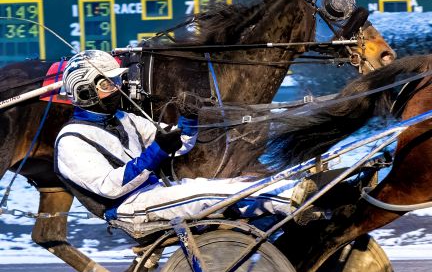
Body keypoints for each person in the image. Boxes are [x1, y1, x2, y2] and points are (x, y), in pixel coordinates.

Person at [54, 49, 323, 246]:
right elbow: (110, 187)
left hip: (157, 193)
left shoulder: (125, 119)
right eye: (107, 84)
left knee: (233, 183)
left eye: (117, 81)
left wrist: (188, 119)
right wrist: (156, 151)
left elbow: (179, 144)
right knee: (207, 191)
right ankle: (294, 199)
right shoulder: (71, 141)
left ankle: (289, 192)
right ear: (84, 91)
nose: (118, 88)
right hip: (129, 208)